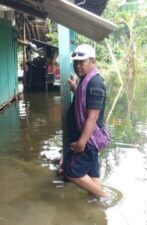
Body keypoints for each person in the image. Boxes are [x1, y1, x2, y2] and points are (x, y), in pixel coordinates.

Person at [61, 44, 110, 197]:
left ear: (93, 61)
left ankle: (105, 197)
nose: (78, 66)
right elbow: (84, 102)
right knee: (93, 176)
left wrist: (81, 143)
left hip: (88, 139)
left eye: (82, 62)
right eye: (76, 62)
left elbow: (92, 117)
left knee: (71, 172)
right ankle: (97, 208)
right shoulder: (85, 81)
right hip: (88, 139)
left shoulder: (95, 84)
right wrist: (75, 88)